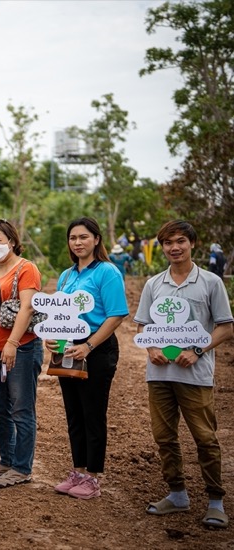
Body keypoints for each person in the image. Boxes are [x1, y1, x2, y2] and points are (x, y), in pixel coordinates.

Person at [135, 221, 233, 528]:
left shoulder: (210, 282)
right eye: (168, 243)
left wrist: (198, 350)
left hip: (195, 374)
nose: (174, 248)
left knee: (205, 438)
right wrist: (151, 349)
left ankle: (216, 501)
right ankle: (177, 494)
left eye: (180, 241)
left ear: (193, 243)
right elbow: (142, 326)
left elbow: (225, 327)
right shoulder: (154, 284)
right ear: (162, 247)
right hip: (159, 374)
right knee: (164, 437)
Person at [46, 217, 128, 500]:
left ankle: (92, 477)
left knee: (93, 413)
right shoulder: (66, 276)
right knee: (74, 413)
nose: (77, 242)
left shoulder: (107, 272)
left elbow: (116, 315)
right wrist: (53, 336)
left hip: (96, 349)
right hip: (68, 349)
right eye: (73, 238)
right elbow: (61, 314)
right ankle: (77, 471)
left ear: (96, 239)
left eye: (83, 237)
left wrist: (90, 346)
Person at [0, 219, 44, 488]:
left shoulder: (26, 268)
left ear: (12, 241)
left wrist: (13, 343)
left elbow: (27, 308)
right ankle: (7, 459)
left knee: (21, 408)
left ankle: (22, 467)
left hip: (22, 347)